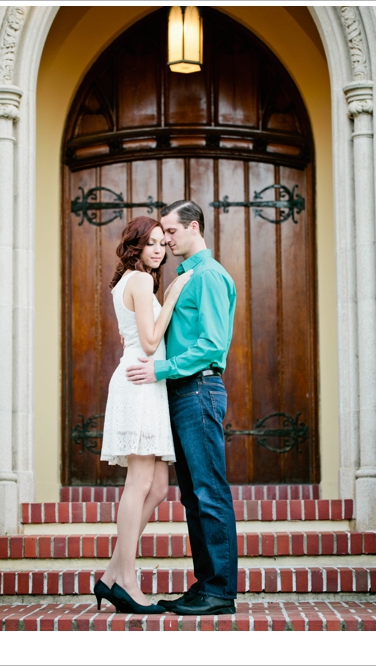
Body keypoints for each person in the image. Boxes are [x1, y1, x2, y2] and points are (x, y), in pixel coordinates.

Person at [127, 200, 238, 616]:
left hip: (199, 391)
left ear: (193, 228)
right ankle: (205, 585)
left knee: (209, 492)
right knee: (193, 496)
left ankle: (220, 592)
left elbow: (211, 346)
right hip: (182, 393)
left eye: (171, 232)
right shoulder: (185, 277)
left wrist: (161, 369)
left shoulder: (208, 276)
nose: (167, 240)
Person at [93, 216, 193, 615]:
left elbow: (140, 336)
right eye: (149, 243)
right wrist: (169, 298)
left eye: (161, 243)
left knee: (158, 488)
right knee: (139, 483)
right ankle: (128, 583)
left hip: (146, 382)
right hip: (139, 379)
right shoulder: (138, 281)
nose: (158, 249)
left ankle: (111, 574)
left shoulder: (134, 282)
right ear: (135, 246)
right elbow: (151, 344)